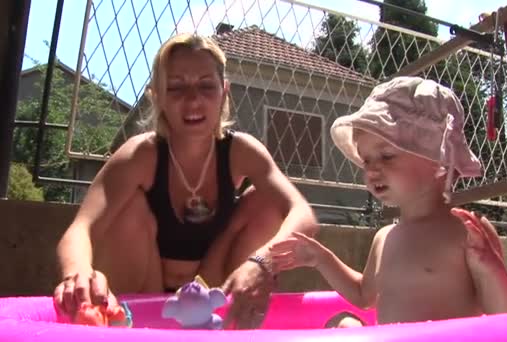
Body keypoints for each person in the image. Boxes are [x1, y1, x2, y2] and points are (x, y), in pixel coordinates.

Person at [53, 33, 318, 329]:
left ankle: (234, 325)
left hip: (210, 292)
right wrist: (77, 273)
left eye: (206, 86)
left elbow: (302, 213)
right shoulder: (141, 155)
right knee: (128, 208)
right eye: (177, 87)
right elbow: (80, 228)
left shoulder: (241, 152)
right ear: (158, 97)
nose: (193, 100)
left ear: (224, 92)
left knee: (267, 202)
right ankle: (131, 330)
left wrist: (262, 263)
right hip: (146, 296)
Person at [270, 77, 507, 326]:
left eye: (387, 156)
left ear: (440, 160)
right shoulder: (385, 236)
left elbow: (504, 313)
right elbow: (363, 295)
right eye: (366, 160)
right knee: (343, 323)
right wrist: (322, 259)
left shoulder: (468, 232)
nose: (372, 170)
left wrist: (489, 267)